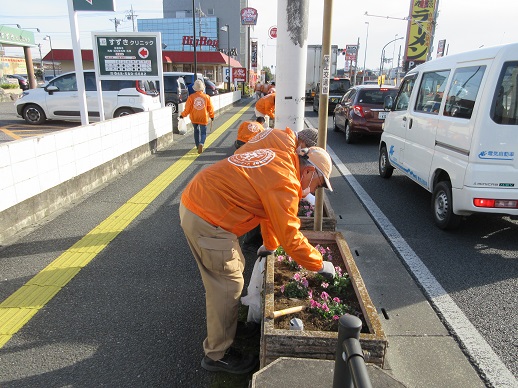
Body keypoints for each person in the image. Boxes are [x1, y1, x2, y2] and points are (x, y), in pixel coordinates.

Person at [179, 146, 335, 375]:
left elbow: (270, 214)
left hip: (201, 205)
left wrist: (270, 246)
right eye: (319, 184)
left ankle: (227, 326)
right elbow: (291, 237)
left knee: (231, 271)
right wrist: (319, 264)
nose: (315, 189)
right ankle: (217, 355)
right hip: (207, 218)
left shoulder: (282, 159)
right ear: (310, 171)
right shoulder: (286, 181)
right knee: (228, 286)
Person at [236, 126, 319, 251]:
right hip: (245, 171)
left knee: (263, 204)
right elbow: (286, 177)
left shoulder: (284, 136)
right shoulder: (287, 147)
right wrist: (305, 195)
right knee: (259, 205)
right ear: (303, 142)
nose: (305, 154)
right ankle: (250, 243)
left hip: (243, 163)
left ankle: (259, 241)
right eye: (307, 150)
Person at [179, 79, 215, 154]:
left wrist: (182, 115)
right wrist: (212, 116)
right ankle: (202, 143)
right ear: (202, 88)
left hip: (194, 117)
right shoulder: (206, 97)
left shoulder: (191, 97)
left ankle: (197, 146)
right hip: (203, 117)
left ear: (195, 88)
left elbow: (187, 109)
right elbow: (210, 108)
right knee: (203, 133)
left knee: (196, 131)